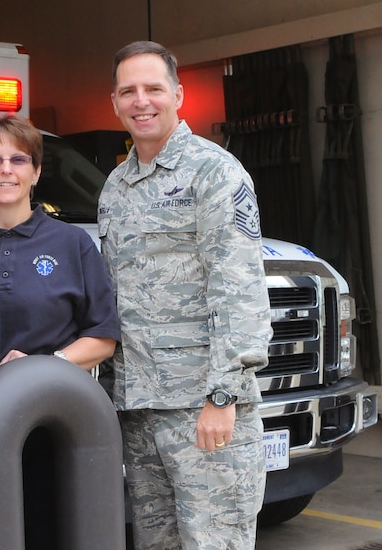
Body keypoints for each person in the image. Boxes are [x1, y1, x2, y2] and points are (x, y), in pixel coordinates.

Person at [98, 40, 272, 549]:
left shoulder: (214, 172)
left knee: (215, 540)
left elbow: (238, 285)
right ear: (114, 102)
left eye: (153, 88)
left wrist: (224, 394)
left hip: (201, 406)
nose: (141, 101)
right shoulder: (116, 186)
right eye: (128, 91)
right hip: (138, 409)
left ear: (178, 94)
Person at [0, 114, 120, 548]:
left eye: (19, 159)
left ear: (36, 172)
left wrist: (40, 369)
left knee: (49, 531)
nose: (6, 170)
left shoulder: (73, 245)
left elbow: (103, 337)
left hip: (54, 432)